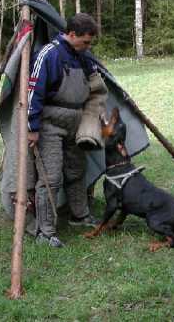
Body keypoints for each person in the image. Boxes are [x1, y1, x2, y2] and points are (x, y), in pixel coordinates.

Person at [27, 13, 100, 248]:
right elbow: (33, 92)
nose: (88, 47)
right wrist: (32, 127)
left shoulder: (84, 57)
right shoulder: (49, 54)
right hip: (51, 125)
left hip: (76, 124)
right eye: (85, 41)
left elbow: (96, 86)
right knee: (51, 176)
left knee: (76, 171)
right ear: (71, 34)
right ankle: (45, 231)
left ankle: (80, 215)